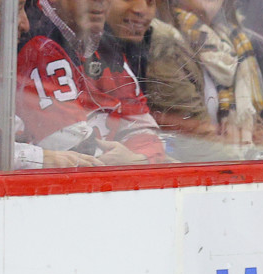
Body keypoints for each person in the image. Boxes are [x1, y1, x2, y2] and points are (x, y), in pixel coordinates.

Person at [18, 0, 169, 163]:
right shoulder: (37, 43)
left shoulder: (102, 40)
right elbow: (77, 155)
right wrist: (136, 162)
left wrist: (139, 158)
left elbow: (144, 131)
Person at [146, 0, 263, 158]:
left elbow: (259, 129)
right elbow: (196, 142)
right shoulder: (164, 43)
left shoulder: (234, 40)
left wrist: (262, 147)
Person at [0, 0, 101, 168]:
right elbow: (78, 150)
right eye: (15, 9)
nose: (26, 24)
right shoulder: (38, 45)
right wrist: (41, 158)